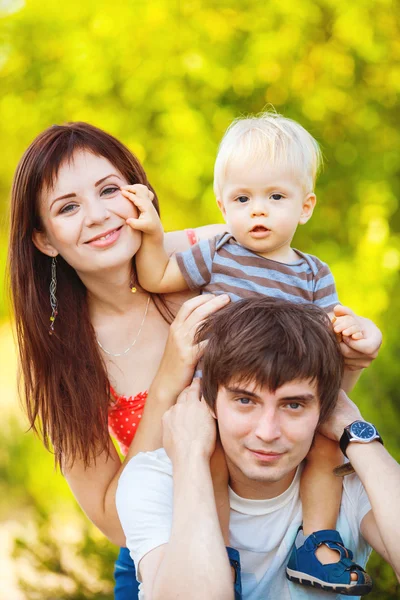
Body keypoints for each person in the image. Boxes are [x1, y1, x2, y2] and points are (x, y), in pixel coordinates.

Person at [118, 111, 382, 588]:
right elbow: (156, 277)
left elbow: (331, 331)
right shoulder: (219, 252)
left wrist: (354, 333)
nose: (257, 211)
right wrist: (153, 236)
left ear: (305, 206)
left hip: (285, 394)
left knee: (326, 454)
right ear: (222, 206)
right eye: (243, 199)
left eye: (275, 197)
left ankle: (318, 546)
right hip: (217, 392)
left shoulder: (313, 274)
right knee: (209, 459)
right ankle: (218, 555)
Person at [8, 121, 231, 599]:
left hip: (281, 527)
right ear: (45, 240)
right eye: (67, 207)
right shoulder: (62, 355)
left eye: (109, 189)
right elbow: (113, 521)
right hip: (165, 559)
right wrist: (169, 379)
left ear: (139, 192)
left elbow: (305, 397)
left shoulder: (213, 257)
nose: (97, 215)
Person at [116, 297, 400, 600]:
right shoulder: (155, 478)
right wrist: (189, 456)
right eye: (245, 401)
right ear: (210, 401)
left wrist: (355, 432)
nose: (267, 432)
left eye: (293, 405)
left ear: (324, 409)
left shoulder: (348, 478)